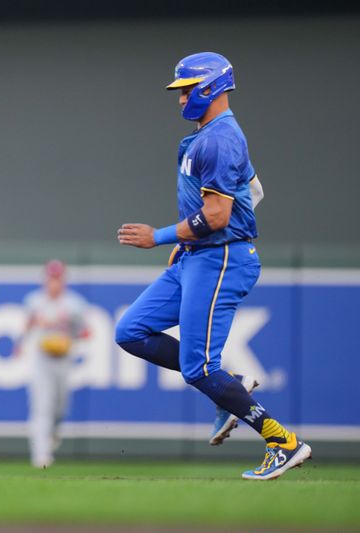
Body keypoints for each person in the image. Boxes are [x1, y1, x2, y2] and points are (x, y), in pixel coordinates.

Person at [115, 52, 311, 480]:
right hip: (197, 256)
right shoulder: (212, 135)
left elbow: (219, 216)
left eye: (185, 90)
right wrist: (187, 240)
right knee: (130, 331)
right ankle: (232, 385)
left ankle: (283, 441)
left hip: (221, 258)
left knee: (199, 368)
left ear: (210, 87)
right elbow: (254, 191)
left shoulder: (220, 139)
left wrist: (162, 236)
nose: (181, 99)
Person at [18, 260, 89, 468]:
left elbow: (86, 332)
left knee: (60, 408)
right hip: (42, 359)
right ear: (45, 279)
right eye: (51, 277)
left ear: (63, 279)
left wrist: (67, 334)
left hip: (63, 359)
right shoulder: (34, 301)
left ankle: (54, 432)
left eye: (58, 278)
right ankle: (41, 457)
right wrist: (21, 343)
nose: (54, 282)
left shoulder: (74, 303)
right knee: (41, 406)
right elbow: (28, 325)